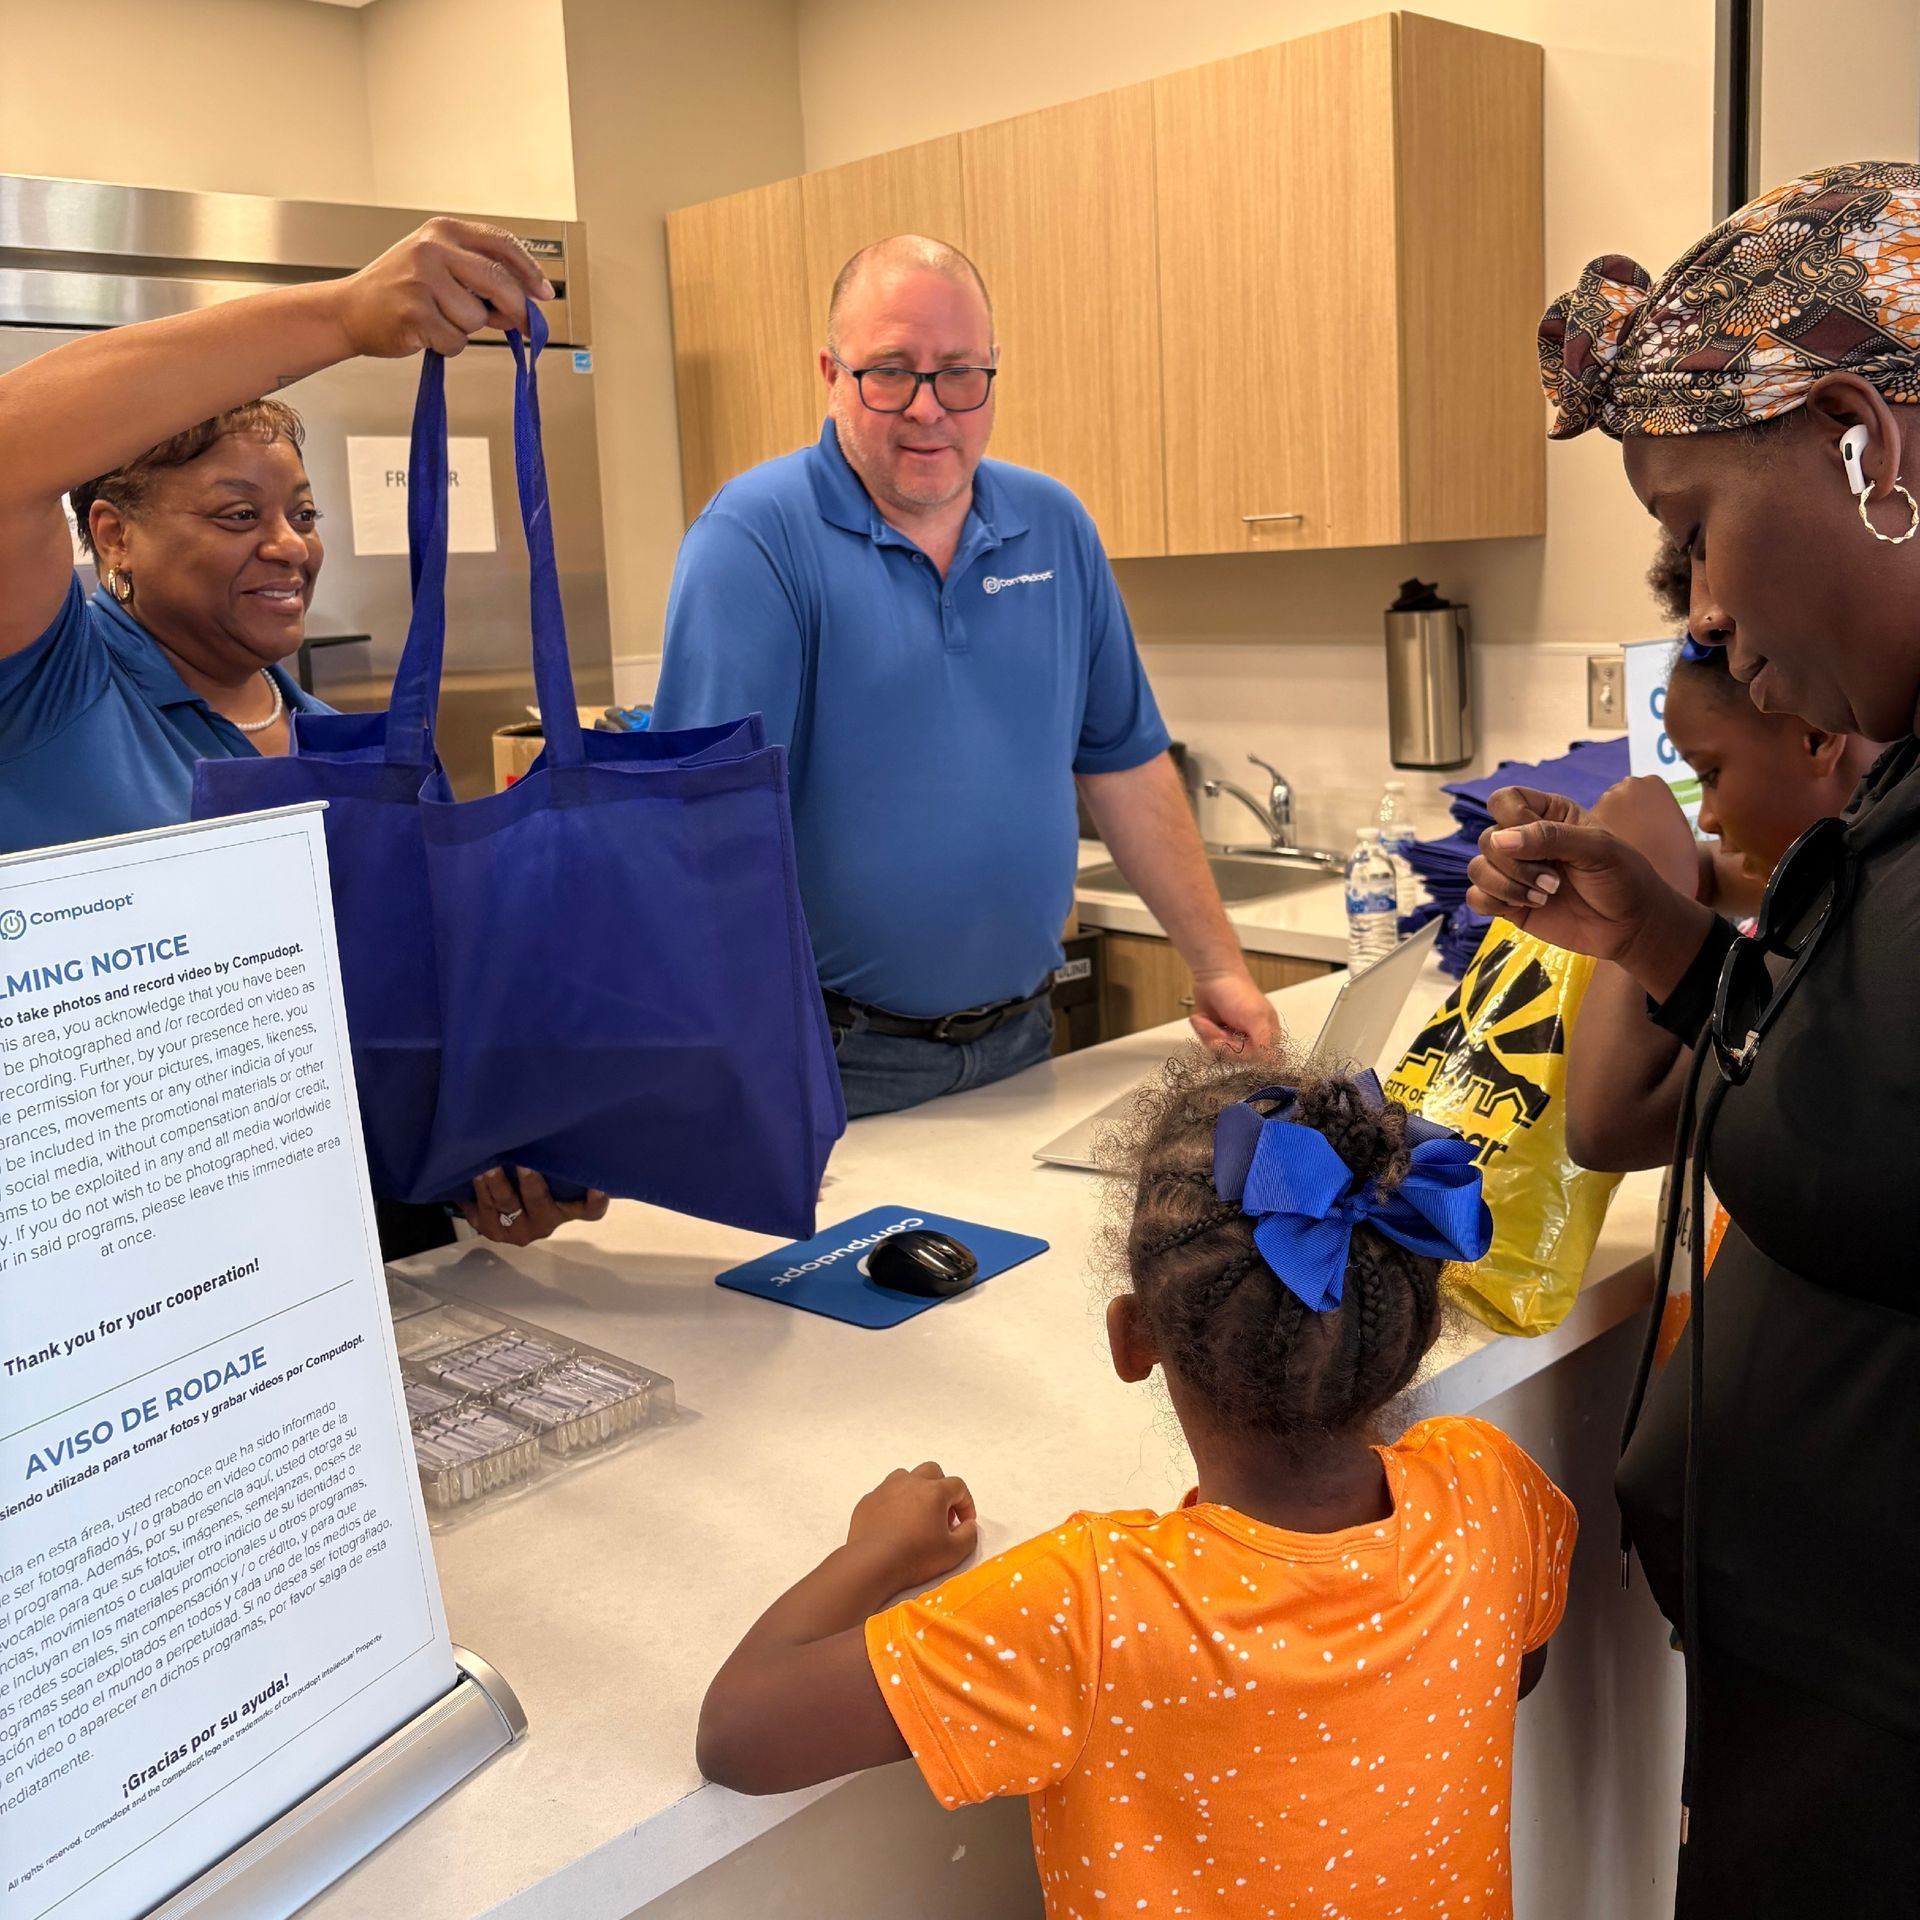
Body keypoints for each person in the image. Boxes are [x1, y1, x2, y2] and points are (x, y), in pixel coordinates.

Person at [1469, 162, 1920, 1914]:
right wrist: (1659, 939)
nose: (1703, 604)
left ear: (1864, 442)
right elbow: (1845, 1082)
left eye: (1700, 522)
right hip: (1818, 1684)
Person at [697, 1049, 1574, 1917]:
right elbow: (1513, 1668)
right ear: (1411, 1332)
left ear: (1132, 1341)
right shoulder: (1485, 1483)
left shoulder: (1094, 1604)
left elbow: (739, 1735)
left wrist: (877, 1552)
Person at [0, 218, 606, 1253]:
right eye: (238, 515)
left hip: (349, 1255)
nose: (289, 545)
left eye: (304, 513)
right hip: (116, 1258)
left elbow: (408, 1036)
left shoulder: (357, 754)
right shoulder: (54, 688)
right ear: (112, 534)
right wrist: (341, 314)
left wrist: (495, 1154)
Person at [650, 234, 1279, 1117]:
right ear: (830, 374)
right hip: (832, 1062)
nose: (928, 408)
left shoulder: (1053, 525)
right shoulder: (755, 540)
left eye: (957, 372)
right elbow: (709, 834)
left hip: (1025, 1042)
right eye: (890, 372)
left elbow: (1124, 762)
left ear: (992, 373)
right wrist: (747, 1079)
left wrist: (1217, 966)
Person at [1565, 538, 1879, 1173]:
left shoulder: (1855, 940)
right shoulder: (1851, 855)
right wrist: (1681, 866)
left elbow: (1605, 1130)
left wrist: (1653, 868)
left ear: (1817, 738)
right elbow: (1726, 867)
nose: (1706, 815)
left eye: (1708, 773)